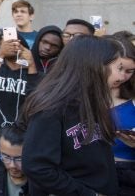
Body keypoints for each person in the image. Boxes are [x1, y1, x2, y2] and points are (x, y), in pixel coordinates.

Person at [21, 36, 119, 196]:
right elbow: (37, 167)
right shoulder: (51, 108)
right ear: (93, 67)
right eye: (115, 66)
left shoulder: (93, 99)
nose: (120, 75)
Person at [0, 34, 39, 162]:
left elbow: (36, 101)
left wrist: (32, 65)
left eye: (13, 42)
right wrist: (0, 54)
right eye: (4, 44)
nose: (9, 46)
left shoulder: (33, 72)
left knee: (20, 179)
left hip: (24, 137)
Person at [109, 32, 135, 195]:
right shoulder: (84, 97)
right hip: (93, 175)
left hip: (128, 176)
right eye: (119, 68)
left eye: (129, 71)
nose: (122, 76)